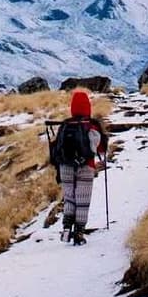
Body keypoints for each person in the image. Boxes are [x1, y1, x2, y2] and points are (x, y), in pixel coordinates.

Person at [58, 90, 108, 245]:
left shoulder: (65, 125)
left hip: (65, 166)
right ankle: (79, 232)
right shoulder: (92, 125)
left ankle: (67, 227)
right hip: (86, 165)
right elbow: (101, 149)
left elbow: (57, 148)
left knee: (69, 198)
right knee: (82, 200)